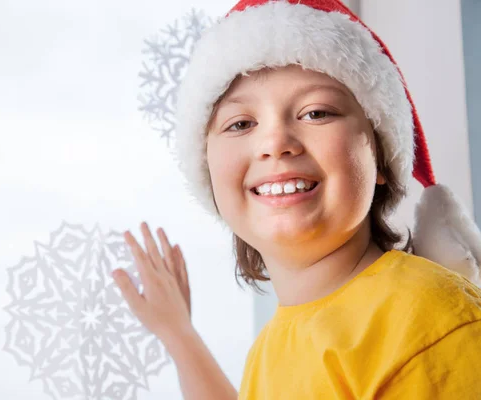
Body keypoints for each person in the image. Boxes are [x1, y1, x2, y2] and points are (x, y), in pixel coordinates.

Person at [112, 0, 481, 398]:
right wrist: (178, 332)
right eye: (241, 124)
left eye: (316, 113)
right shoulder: (267, 350)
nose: (275, 143)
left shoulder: (431, 319)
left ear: (381, 158)